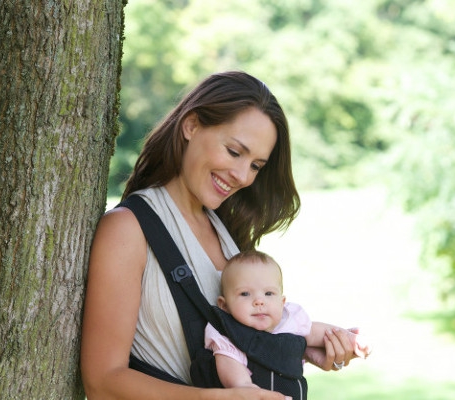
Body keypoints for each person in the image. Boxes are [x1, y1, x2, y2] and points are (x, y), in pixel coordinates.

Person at [81, 71, 364, 400]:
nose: (243, 176)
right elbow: (102, 382)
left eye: (256, 165)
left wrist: (295, 350)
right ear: (191, 125)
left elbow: (226, 343)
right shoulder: (128, 230)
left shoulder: (223, 230)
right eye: (234, 152)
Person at [206, 250, 371, 391]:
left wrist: (350, 339)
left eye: (269, 294)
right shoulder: (228, 335)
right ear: (224, 305)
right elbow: (229, 364)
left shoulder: (289, 321)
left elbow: (315, 331)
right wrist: (245, 387)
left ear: (282, 302)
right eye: (245, 294)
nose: (259, 301)